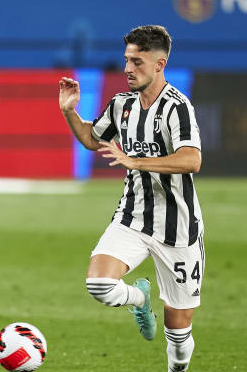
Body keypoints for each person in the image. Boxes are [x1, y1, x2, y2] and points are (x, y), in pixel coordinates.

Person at [58, 25, 205, 372]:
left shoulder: (177, 107)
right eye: (126, 60)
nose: (127, 68)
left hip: (177, 227)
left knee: (179, 333)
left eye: (137, 61)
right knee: (99, 284)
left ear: (159, 64)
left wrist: (136, 161)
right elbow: (92, 139)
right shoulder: (121, 105)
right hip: (133, 216)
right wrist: (69, 111)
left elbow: (192, 159)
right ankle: (139, 299)